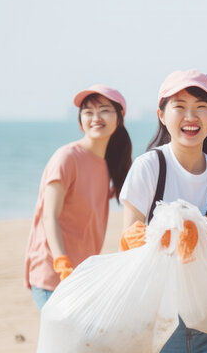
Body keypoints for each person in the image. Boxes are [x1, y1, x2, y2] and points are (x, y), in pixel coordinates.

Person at [119, 70, 207, 352]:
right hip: (159, 322)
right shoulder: (148, 168)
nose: (190, 116)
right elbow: (129, 254)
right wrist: (157, 242)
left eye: (201, 107)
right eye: (179, 107)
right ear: (161, 114)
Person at [24, 85, 132, 310]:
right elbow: (49, 217)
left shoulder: (107, 164)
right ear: (80, 119)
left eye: (104, 110)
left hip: (81, 277)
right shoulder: (66, 158)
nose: (95, 117)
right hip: (53, 274)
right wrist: (62, 263)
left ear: (119, 118)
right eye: (88, 112)